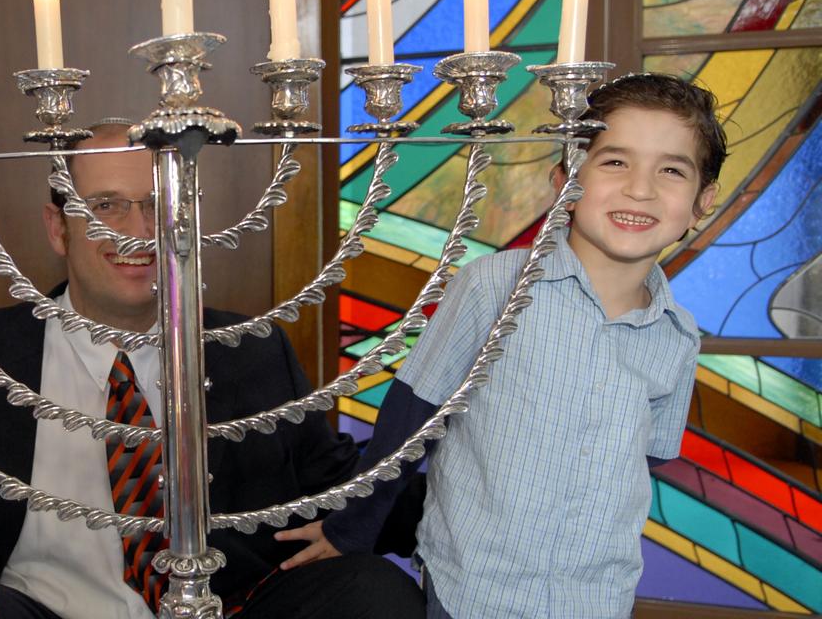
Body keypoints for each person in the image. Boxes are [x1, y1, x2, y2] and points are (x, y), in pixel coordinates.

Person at [0, 120, 426, 618]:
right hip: (32, 607)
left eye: (155, 206)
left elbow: (337, 484)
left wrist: (463, 490)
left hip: (227, 605)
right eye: (106, 206)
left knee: (375, 591)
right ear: (59, 228)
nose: (133, 231)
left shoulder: (248, 345)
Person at [277, 73, 728, 618]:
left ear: (704, 201)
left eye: (672, 170)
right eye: (614, 161)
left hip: (597, 597)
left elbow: (645, 458)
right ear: (565, 177)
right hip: (476, 587)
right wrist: (355, 527)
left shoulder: (678, 335)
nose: (641, 188)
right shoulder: (493, 287)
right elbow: (411, 417)